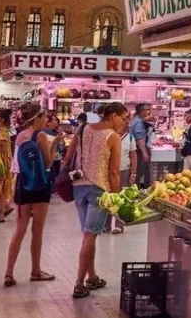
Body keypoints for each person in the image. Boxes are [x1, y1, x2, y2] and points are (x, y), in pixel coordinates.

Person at [67, 102, 125, 299]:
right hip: (99, 190)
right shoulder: (113, 137)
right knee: (90, 237)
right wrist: (116, 197)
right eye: (124, 118)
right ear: (114, 116)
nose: (124, 123)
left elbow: (70, 154)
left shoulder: (84, 129)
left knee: (87, 236)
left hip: (79, 187)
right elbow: (115, 172)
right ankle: (78, 283)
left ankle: (92, 277)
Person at [4, 103, 58, 288]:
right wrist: (56, 144)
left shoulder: (20, 136)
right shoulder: (41, 136)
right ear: (36, 118)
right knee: (37, 231)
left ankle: (9, 273)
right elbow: (49, 163)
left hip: (21, 185)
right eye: (44, 117)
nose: (46, 120)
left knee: (19, 230)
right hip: (40, 186)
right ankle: (36, 271)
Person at [109, 117, 137, 235]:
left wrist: (133, 173)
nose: (123, 125)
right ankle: (105, 224)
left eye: (125, 124)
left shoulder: (130, 138)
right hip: (109, 172)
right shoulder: (110, 136)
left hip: (124, 171)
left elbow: (133, 157)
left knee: (122, 198)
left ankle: (119, 225)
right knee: (108, 198)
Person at [130, 104, 151, 187]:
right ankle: (137, 191)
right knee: (139, 173)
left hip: (137, 149)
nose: (147, 112)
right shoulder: (138, 122)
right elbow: (139, 139)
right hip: (139, 150)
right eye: (146, 110)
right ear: (141, 111)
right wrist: (144, 153)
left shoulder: (136, 120)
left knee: (139, 172)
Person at [42, 114, 63, 194]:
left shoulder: (52, 131)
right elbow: (52, 144)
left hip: (55, 155)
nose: (56, 121)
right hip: (53, 156)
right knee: (53, 172)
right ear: (48, 123)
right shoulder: (47, 131)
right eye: (54, 120)